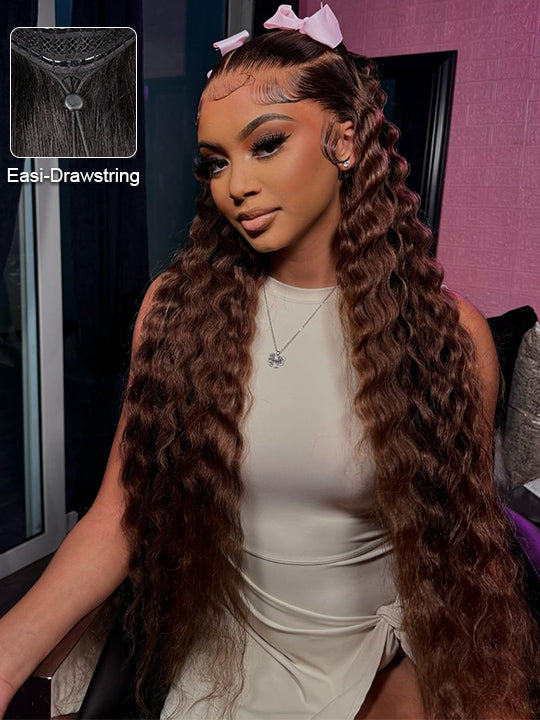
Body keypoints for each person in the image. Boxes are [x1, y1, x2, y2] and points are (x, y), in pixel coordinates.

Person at [1, 4, 539, 719]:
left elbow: (458, 559)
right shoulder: (177, 310)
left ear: (344, 140)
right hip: (227, 656)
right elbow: (119, 515)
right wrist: (6, 652)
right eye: (216, 162)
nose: (235, 186)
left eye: (267, 143)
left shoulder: (447, 337)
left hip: (377, 660)